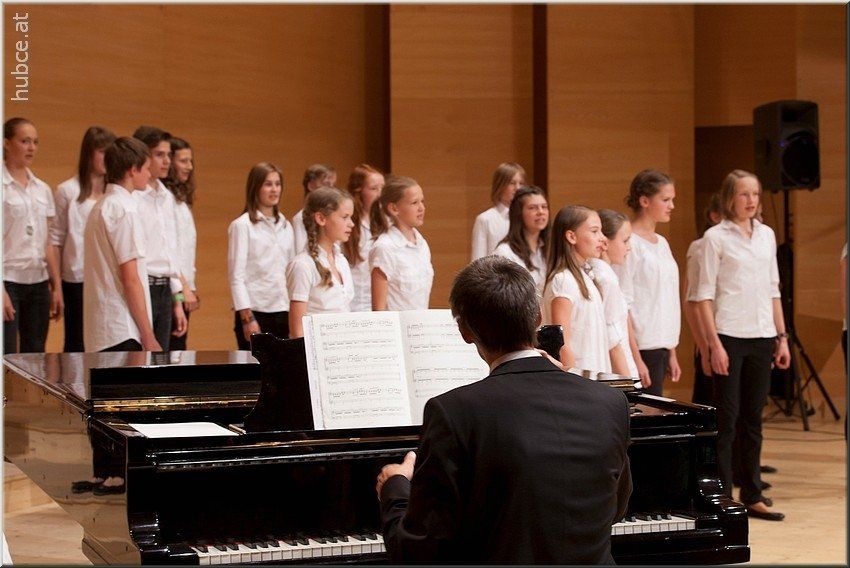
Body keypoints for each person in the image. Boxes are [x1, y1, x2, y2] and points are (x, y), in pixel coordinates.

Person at [376, 255, 631, 563]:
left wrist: (395, 487)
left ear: (465, 331)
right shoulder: (610, 402)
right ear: (538, 318)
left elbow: (416, 550)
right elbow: (615, 508)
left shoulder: (453, 412)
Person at [695, 169, 790, 522]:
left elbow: (773, 290)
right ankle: (722, 497)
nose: (751, 200)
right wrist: (713, 345)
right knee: (727, 420)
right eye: (744, 194)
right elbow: (703, 296)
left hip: (762, 335)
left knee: (754, 419)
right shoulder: (715, 238)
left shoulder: (766, 235)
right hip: (729, 336)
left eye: (755, 194)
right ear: (729, 198)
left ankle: (752, 493)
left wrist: (781, 337)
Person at [83, 136, 160, 353]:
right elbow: (130, 278)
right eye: (146, 168)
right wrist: (148, 335)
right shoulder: (124, 209)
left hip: (102, 329)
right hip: (122, 328)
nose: (149, 174)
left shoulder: (100, 206)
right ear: (132, 170)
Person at [50, 126, 117, 352]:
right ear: (89, 153)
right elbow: (55, 240)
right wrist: (56, 286)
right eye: (102, 151)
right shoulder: (67, 191)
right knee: (77, 343)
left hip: (108, 279)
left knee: (106, 341)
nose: (107, 158)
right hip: (77, 279)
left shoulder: (114, 194)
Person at [615, 169, 681, 395]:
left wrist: (671, 351)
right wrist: (636, 358)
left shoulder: (662, 242)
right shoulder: (630, 242)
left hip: (662, 344)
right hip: (642, 346)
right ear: (644, 201)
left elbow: (666, 297)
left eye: (672, 199)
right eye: (665, 200)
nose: (672, 205)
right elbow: (623, 303)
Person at [3, 117, 61, 354]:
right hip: (8, 280)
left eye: (35, 142)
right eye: (25, 141)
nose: (31, 148)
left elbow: (48, 242)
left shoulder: (42, 188)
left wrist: (56, 286)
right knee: (7, 353)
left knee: (35, 355)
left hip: (38, 282)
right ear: (7, 143)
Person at [543, 205, 625, 373]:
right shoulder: (562, 280)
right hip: (580, 379)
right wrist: (575, 381)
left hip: (595, 376)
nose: (602, 238)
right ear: (571, 236)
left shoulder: (584, 277)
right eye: (595, 231)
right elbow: (562, 344)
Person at [227, 162, 295, 349]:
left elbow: (290, 270)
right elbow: (236, 276)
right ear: (255, 187)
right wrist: (247, 318)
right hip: (255, 312)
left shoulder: (286, 226)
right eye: (268, 184)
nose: (274, 189)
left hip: (283, 310)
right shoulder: (242, 226)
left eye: (277, 184)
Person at [132, 126, 187, 351]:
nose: (166, 161)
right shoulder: (134, 197)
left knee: (161, 359)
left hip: (165, 289)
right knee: (140, 357)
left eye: (168, 155)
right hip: (144, 287)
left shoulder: (167, 197)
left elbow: (171, 251)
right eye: (159, 155)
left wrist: (177, 301)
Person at [286, 187, 355, 338]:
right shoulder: (303, 265)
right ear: (321, 219)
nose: (351, 224)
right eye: (345, 217)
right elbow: (298, 332)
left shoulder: (341, 261)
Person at [369, 175, 433, 311]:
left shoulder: (422, 244)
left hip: (420, 322)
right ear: (394, 208)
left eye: (422, 201)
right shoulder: (385, 248)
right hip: (398, 324)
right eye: (414, 203)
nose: (421, 208)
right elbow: (379, 310)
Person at [590, 208, 639, 378]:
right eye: (625, 241)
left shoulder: (606, 274)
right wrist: (628, 382)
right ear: (606, 242)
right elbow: (612, 339)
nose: (629, 247)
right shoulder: (604, 277)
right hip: (616, 373)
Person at [685, 194, 722, 404]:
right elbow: (693, 301)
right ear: (715, 216)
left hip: (741, 338)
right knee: (711, 406)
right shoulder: (700, 247)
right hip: (713, 339)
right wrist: (705, 347)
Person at [163, 137, 198, 350]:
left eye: (190, 161)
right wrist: (184, 287)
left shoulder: (180, 199)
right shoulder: (165, 198)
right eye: (183, 161)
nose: (189, 167)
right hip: (172, 289)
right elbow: (170, 249)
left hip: (183, 287)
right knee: (172, 351)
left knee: (179, 349)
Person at [341, 164, 384, 312]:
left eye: (382, 188)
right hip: (354, 305)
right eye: (374, 189)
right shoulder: (348, 225)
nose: (380, 194)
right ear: (358, 191)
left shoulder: (386, 223)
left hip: (379, 305)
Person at [493, 185, 549, 295]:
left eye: (544, 207)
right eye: (533, 208)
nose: (540, 212)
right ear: (519, 213)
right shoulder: (504, 253)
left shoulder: (550, 249)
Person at [470, 162, 526, 260]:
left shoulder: (527, 217)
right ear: (500, 185)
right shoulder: (485, 219)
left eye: (521, 183)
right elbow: (478, 260)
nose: (517, 188)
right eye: (512, 183)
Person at [292, 164, 336, 253]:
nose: (331, 190)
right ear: (311, 186)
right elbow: (300, 251)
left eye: (333, 185)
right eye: (326, 184)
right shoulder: (300, 218)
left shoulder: (331, 216)